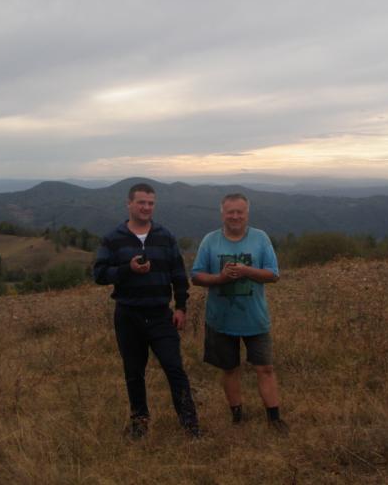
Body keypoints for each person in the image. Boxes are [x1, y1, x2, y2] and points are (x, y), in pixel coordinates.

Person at [93, 182, 200, 438]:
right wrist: (127, 269)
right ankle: (139, 424)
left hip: (160, 314)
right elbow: (99, 274)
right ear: (129, 204)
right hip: (128, 315)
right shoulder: (113, 238)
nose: (146, 207)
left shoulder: (165, 236)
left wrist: (181, 307)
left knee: (174, 368)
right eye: (141, 202)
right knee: (134, 372)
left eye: (151, 203)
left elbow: (178, 274)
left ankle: (190, 425)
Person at [191, 192, 288, 433]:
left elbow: (273, 274)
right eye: (230, 212)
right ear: (222, 213)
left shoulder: (260, 238)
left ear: (247, 213)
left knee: (265, 368)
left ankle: (274, 419)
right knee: (230, 368)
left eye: (240, 212)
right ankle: (237, 416)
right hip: (220, 320)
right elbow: (196, 276)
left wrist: (246, 271)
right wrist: (220, 278)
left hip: (255, 319)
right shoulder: (210, 241)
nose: (235, 216)